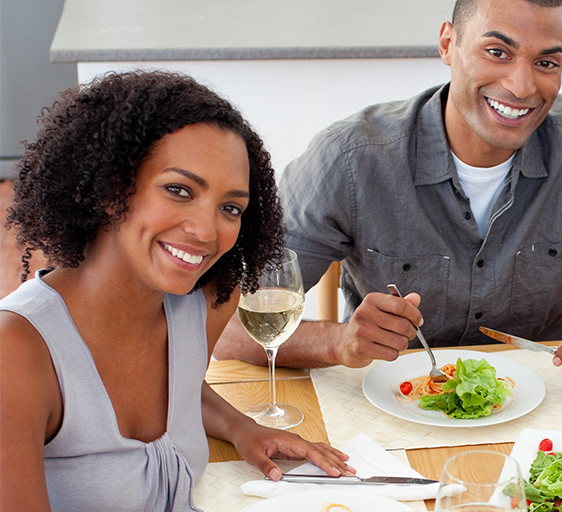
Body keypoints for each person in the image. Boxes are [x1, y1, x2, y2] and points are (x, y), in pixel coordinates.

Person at [213, 0, 562, 381]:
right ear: (447, 43)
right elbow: (229, 327)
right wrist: (339, 341)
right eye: (497, 52)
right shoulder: (348, 159)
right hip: (387, 405)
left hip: (542, 413)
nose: (522, 86)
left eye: (547, 62)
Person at [0, 70, 354, 512]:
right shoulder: (15, 352)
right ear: (112, 187)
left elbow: (179, 390)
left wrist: (244, 428)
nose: (207, 231)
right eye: (178, 190)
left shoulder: (204, 305)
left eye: (230, 208)